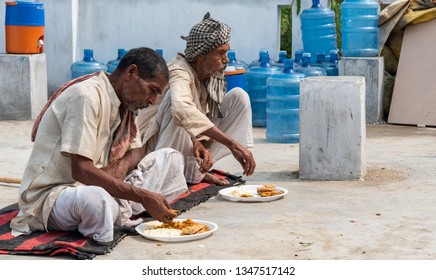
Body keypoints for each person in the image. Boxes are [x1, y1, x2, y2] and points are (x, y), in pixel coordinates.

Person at [10, 47, 187, 243]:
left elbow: (138, 150)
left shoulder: (124, 101)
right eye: (152, 90)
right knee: (97, 200)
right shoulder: (86, 96)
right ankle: (112, 219)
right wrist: (142, 196)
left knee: (171, 158)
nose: (153, 101)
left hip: (101, 179)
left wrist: (123, 164)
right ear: (131, 73)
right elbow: (81, 171)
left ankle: (120, 208)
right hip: (57, 194)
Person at [137, 13, 256, 186]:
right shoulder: (178, 71)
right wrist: (233, 145)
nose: (226, 59)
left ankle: (196, 170)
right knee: (175, 104)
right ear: (202, 56)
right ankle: (162, 175)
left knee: (239, 97)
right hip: (152, 148)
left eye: (227, 52)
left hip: (185, 141)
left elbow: (198, 119)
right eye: (220, 53)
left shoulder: (209, 77)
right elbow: (182, 110)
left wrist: (198, 141)